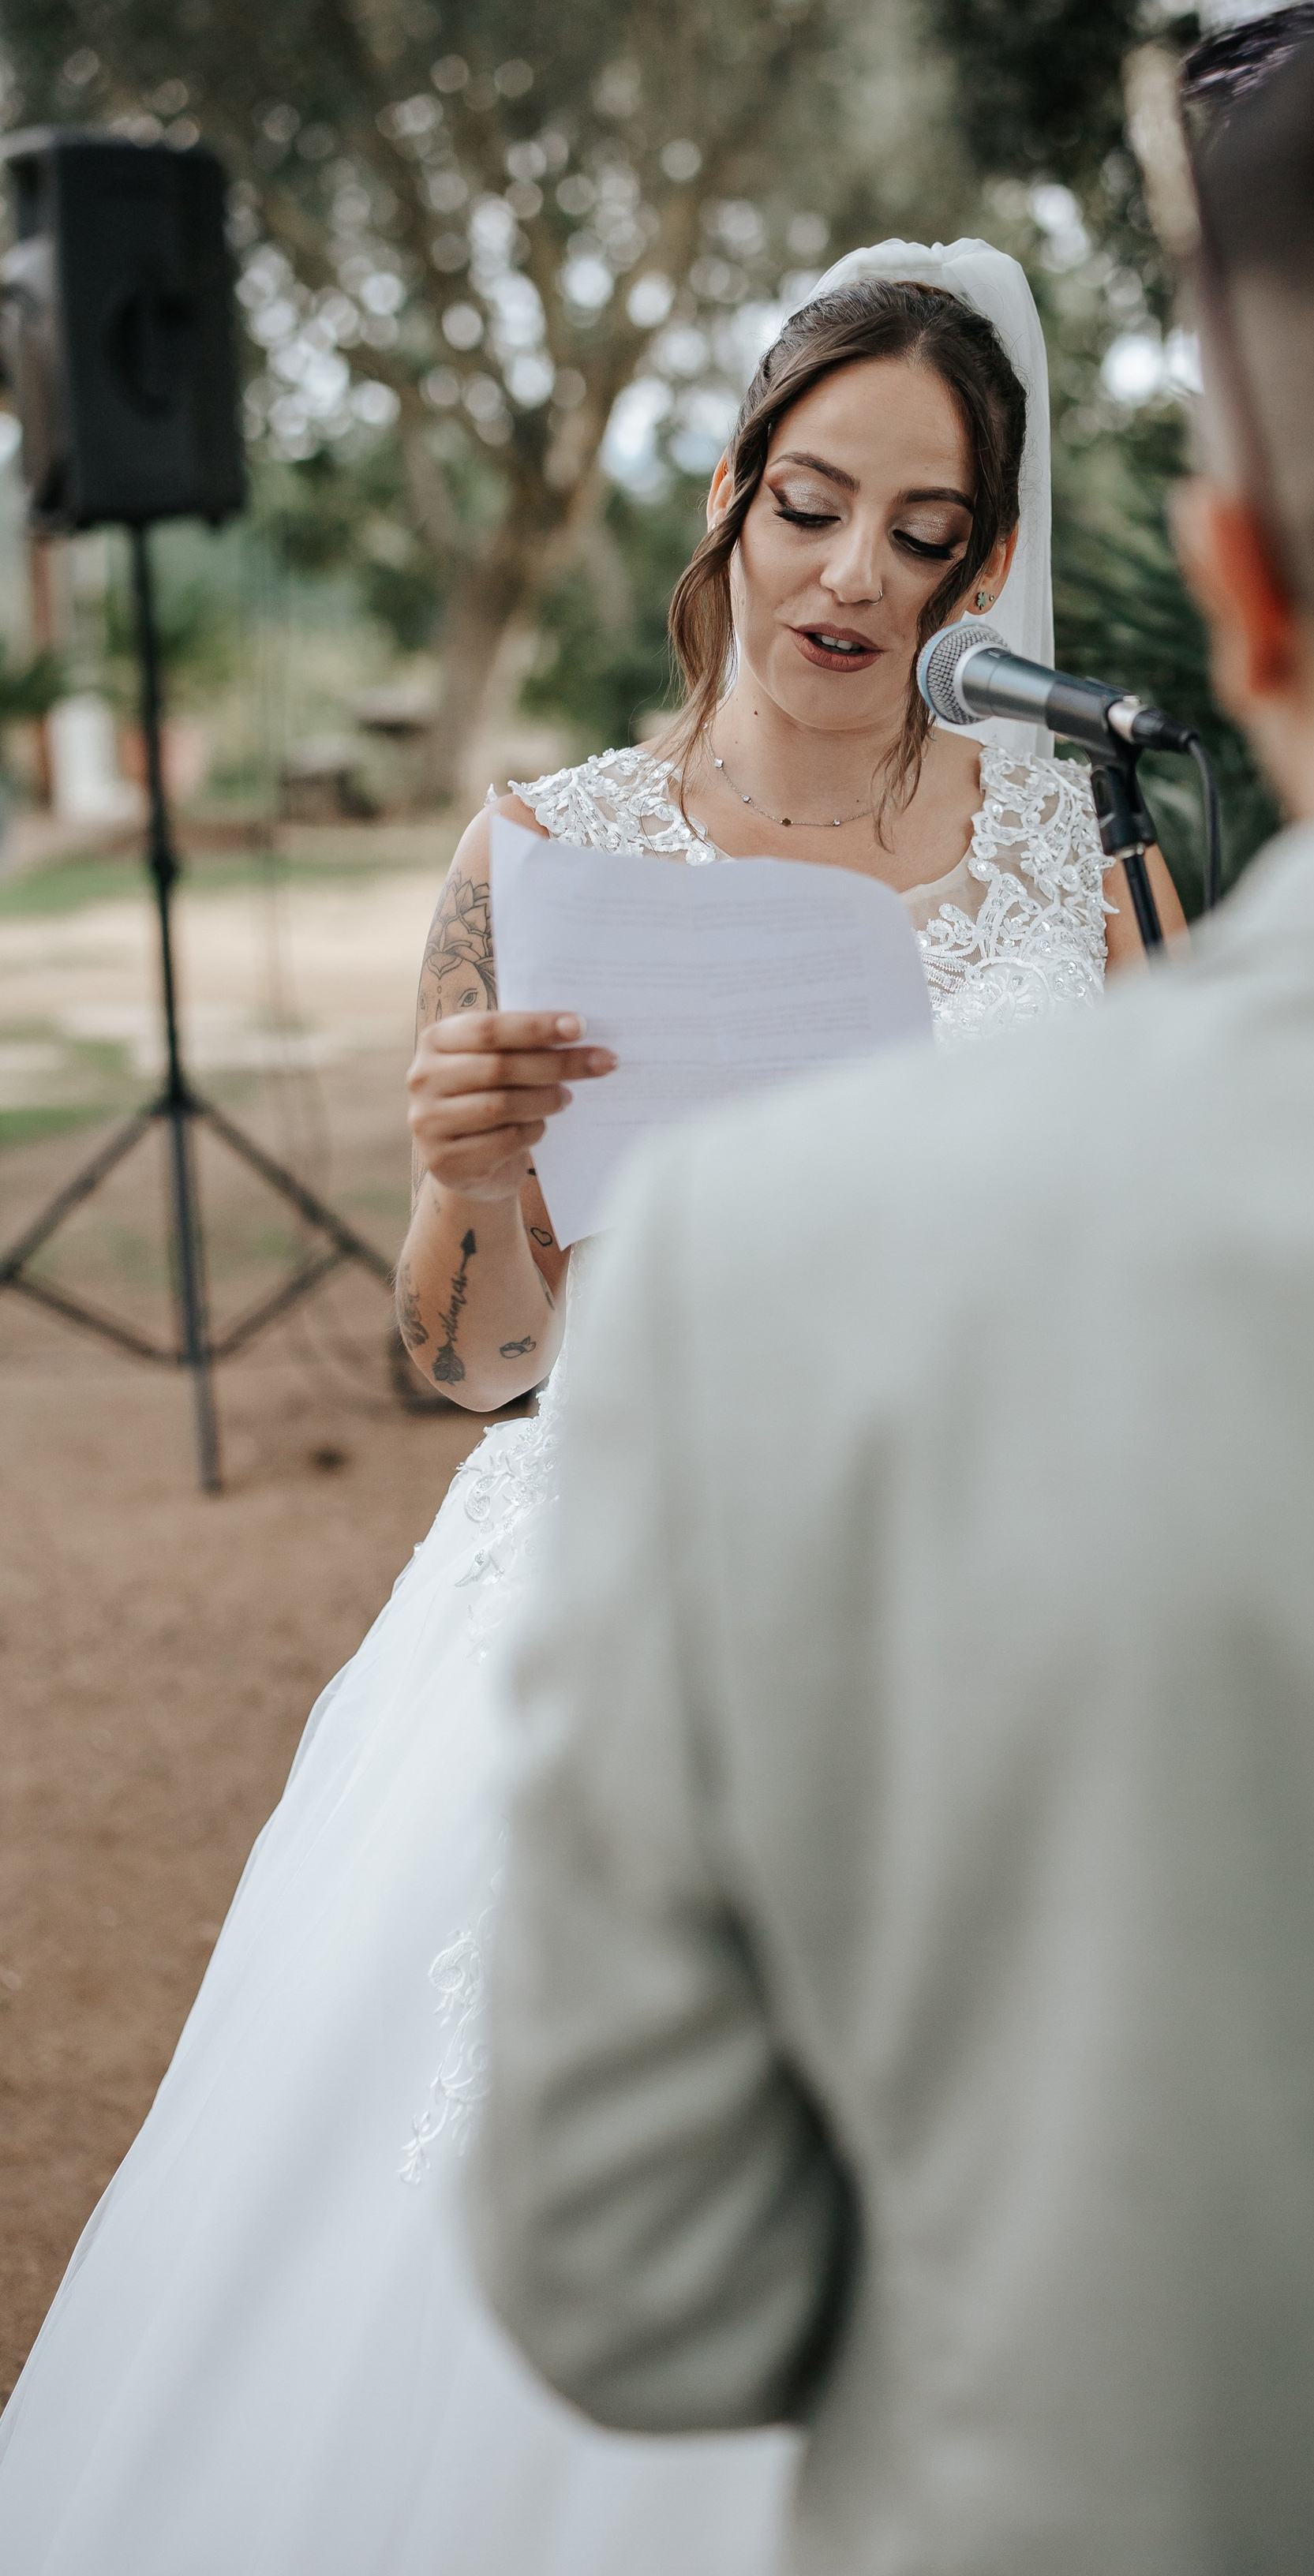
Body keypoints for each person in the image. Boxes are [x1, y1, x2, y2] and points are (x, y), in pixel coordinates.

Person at [469, 0, 1314, 2576]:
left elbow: (635, 2284)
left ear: (1232, 588)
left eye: (918, 528)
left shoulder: (762, 1289)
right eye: (813, 502)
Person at [0, 242, 1175, 2573]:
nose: (851, 575)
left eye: (922, 529)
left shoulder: (1083, 846)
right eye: (810, 502)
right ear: (730, 499)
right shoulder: (547, 855)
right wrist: (472, 1177)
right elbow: (470, 1366)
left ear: (988, 561)